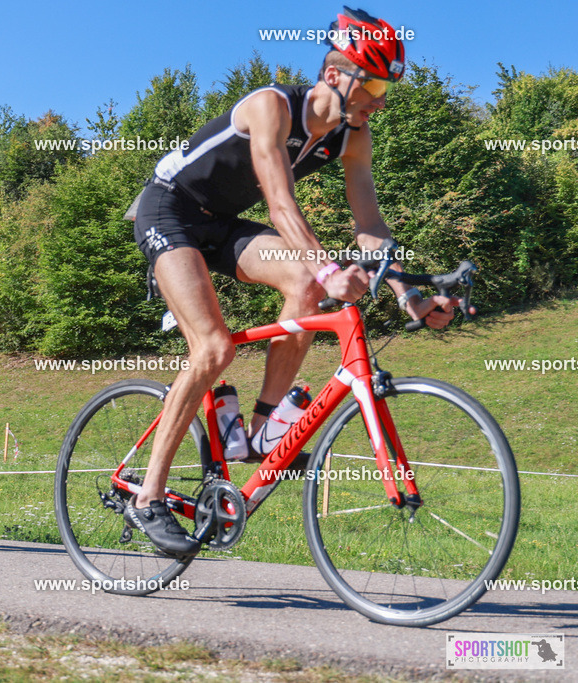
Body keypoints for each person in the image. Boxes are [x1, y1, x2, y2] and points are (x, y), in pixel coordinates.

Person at [127, 7, 463, 555]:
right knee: (212, 349)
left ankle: (260, 431)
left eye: (385, 86)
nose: (380, 97)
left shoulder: (353, 138)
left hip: (224, 225)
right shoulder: (271, 107)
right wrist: (330, 268)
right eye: (373, 81)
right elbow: (280, 201)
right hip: (170, 210)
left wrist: (411, 294)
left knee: (306, 287)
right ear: (335, 75)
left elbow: (370, 227)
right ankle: (149, 497)